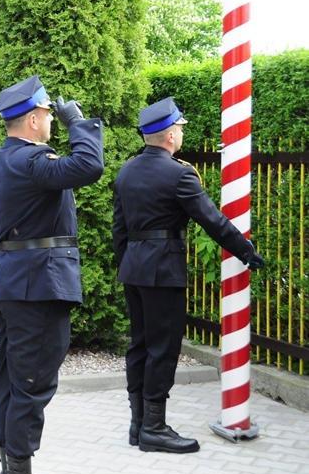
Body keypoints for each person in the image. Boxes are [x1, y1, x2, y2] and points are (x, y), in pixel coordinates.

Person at [113, 97, 265, 454]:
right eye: (179, 129)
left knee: (139, 345)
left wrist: (128, 262)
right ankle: (154, 428)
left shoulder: (127, 171)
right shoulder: (179, 174)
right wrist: (245, 250)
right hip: (164, 270)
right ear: (169, 136)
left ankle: (138, 424)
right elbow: (211, 219)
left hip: (133, 268)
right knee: (163, 348)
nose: (181, 134)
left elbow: (119, 229)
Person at [0, 76, 103, 474]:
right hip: (37, 285)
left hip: (15, 281)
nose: (52, 122)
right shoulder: (31, 160)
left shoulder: (1, 161)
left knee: (14, 381)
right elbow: (88, 166)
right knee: (31, 385)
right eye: (49, 115)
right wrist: (79, 123)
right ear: (33, 120)